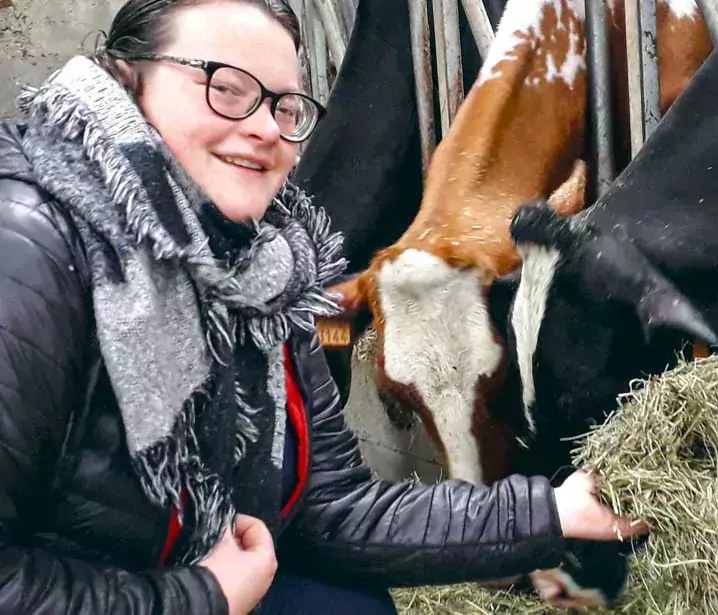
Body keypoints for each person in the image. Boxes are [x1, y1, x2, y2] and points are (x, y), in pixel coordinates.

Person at [0, 0, 648, 613]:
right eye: (224, 87)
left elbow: (330, 507)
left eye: (284, 106)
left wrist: (554, 512)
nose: (262, 128)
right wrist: (201, 597)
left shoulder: (269, 271)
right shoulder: (29, 253)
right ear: (124, 81)